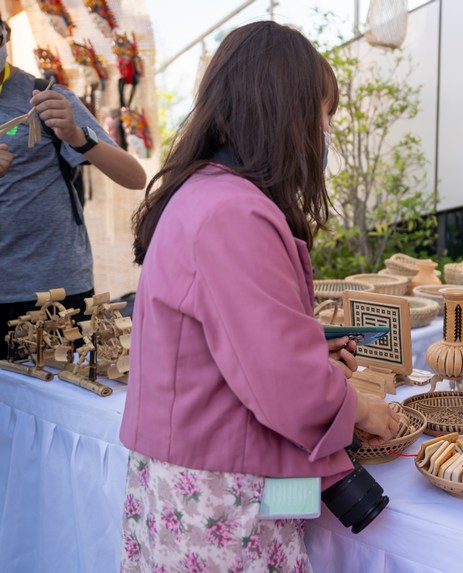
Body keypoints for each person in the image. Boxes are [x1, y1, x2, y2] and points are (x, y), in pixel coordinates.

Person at [120, 22, 400, 571]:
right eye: (323, 116)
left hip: (200, 473)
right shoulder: (232, 212)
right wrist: (359, 406)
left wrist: (310, 348)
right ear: (285, 112)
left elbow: (235, 340)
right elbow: (281, 378)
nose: (324, 134)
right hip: (222, 493)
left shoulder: (203, 193)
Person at [0, 16, 146, 358]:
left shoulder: (45, 95)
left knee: (65, 398)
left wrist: (77, 137)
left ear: (6, 33)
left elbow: (134, 177)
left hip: (55, 291)